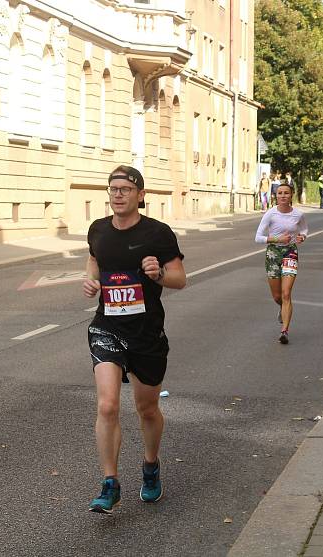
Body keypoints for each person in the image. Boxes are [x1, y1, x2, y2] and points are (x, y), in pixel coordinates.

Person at [83, 165, 187, 514]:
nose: (117, 194)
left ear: (140, 195)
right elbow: (93, 262)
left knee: (146, 409)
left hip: (146, 333)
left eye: (125, 189)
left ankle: (150, 465)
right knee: (108, 405)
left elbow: (180, 279)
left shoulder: (158, 233)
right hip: (107, 326)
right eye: (113, 188)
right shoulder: (98, 230)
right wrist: (90, 282)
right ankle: (110, 483)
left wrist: (158, 275)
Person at [255, 181, 308, 344]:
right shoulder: (270, 214)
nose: (283, 195)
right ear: (276, 196)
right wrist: (276, 239)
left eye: (286, 193)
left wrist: (302, 236)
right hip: (273, 253)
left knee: (286, 293)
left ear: (291, 195)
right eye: (280, 193)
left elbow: (304, 229)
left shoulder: (298, 214)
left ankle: (284, 330)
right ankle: (282, 308)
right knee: (277, 296)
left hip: (290, 252)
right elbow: (258, 238)